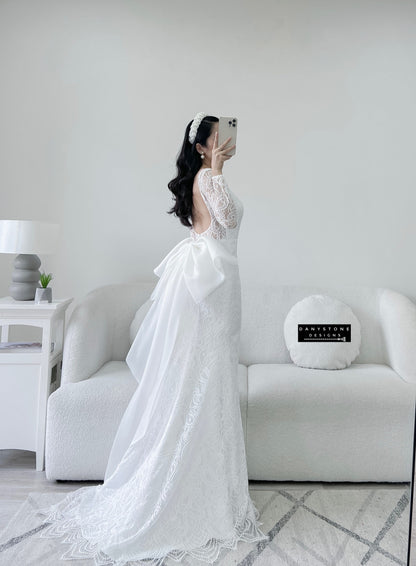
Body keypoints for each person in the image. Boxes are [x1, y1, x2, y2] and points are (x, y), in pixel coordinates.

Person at [35, 112, 269, 565]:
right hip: (214, 291)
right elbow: (223, 219)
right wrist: (218, 171)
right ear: (202, 146)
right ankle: (185, 491)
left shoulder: (203, 177)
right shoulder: (209, 178)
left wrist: (218, 172)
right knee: (202, 384)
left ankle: (213, 484)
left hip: (218, 286)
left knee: (210, 383)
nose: (226, 140)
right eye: (218, 136)